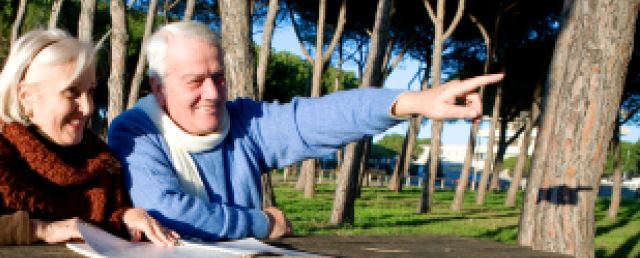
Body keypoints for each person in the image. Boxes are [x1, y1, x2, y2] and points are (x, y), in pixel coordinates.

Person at [108, 21, 504, 241]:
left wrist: (414, 102)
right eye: (195, 81)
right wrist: (262, 223)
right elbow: (165, 211)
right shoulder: (135, 132)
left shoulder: (244, 122)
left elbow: (318, 118)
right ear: (158, 88)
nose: (213, 93)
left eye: (219, 77)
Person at [0, 29, 178, 248]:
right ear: (27, 97)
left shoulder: (100, 160)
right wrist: (40, 229)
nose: (88, 107)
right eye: (72, 93)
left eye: (90, 91)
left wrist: (125, 217)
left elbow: (93, 228)